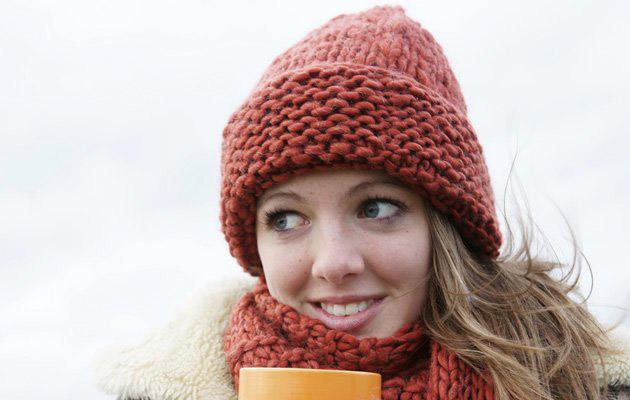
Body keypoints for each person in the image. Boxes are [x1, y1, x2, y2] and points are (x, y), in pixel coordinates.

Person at [94, 6, 630, 399]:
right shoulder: (161, 390)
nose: (333, 264)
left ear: (448, 226)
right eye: (286, 218)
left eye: (375, 208)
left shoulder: (589, 386)